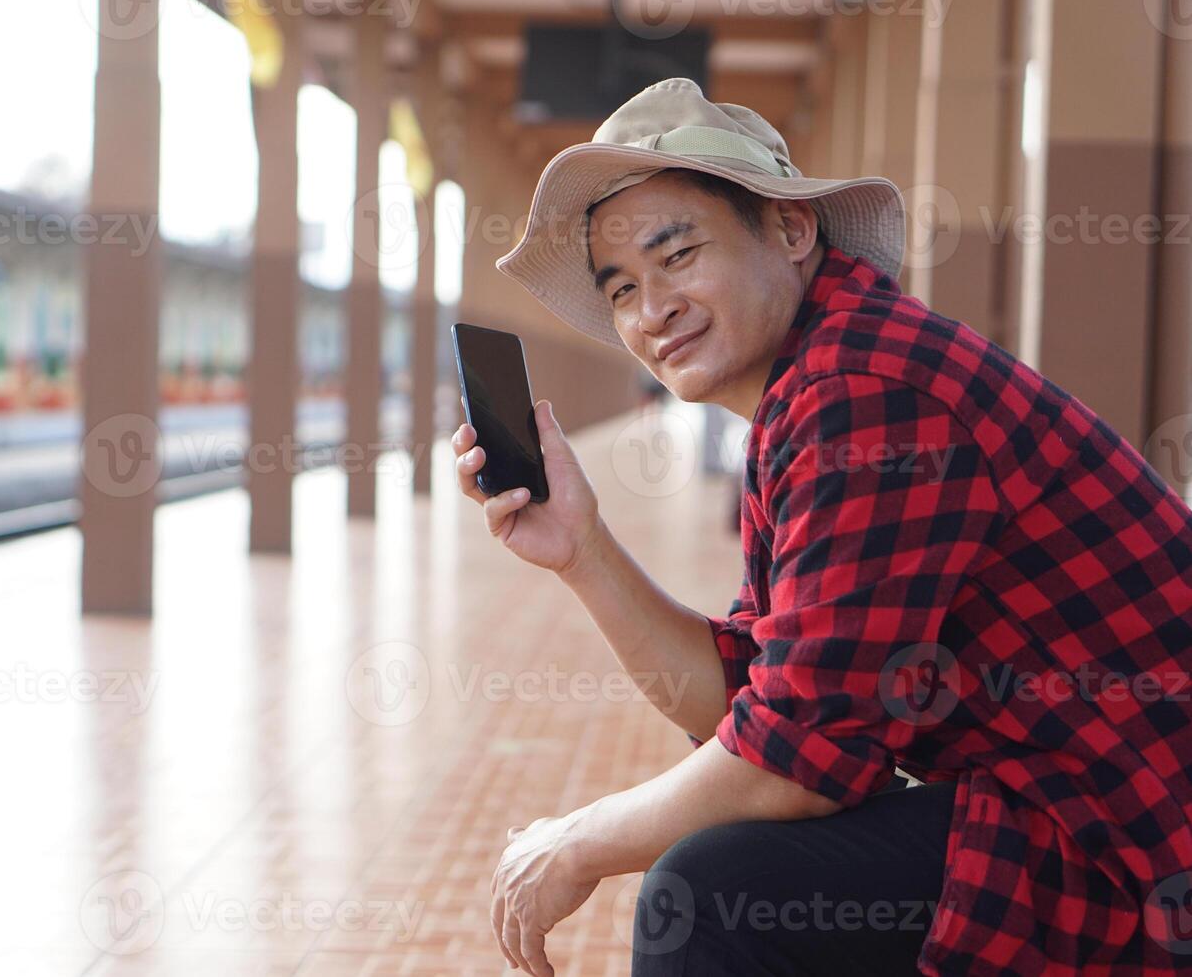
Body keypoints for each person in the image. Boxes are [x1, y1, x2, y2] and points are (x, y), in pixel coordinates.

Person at [449, 77, 1192, 976]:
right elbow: (759, 697)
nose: (653, 311)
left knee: (714, 896)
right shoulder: (818, 389)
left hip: (1136, 847)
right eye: (623, 289)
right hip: (1080, 810)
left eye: (677, 255)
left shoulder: (865, 395)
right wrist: (585, 551)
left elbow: (791, 767)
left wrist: (577, 842)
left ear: (791, 231)